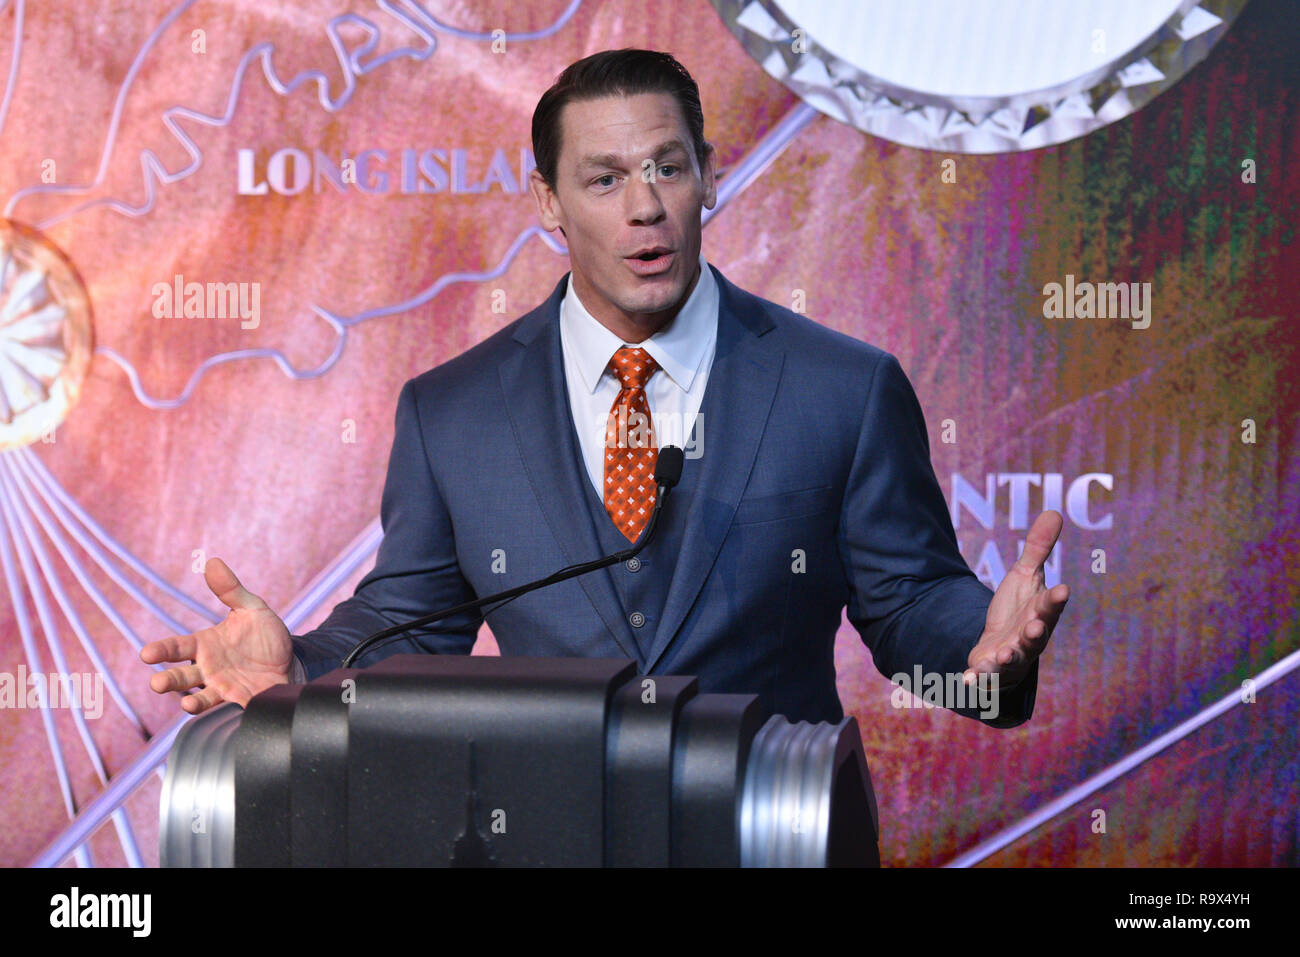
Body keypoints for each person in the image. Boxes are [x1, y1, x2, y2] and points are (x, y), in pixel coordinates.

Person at [142, 48, 1069, 728]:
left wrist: (984, 654)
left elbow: (911, 606)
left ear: (707, 175)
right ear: (548, 202)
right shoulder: (451, 413)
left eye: (669, 167)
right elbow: (410, 625)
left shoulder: (842, 387)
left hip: (775, 832)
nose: (645, 205)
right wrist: (298, 664)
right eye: (606, 177)